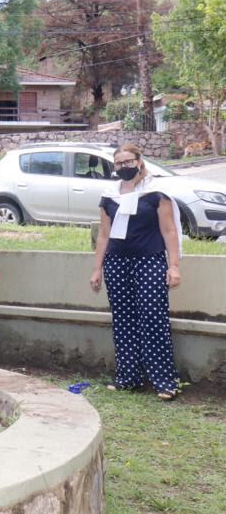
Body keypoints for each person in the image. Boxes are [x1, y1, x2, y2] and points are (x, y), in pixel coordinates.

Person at [90, 143, 182, 400]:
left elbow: (169, 231)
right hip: (117, 264)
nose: (123, 167)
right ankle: (129, 378)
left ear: (139, 162)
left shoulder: (155, 193)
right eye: (118, 163)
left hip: (149, 261)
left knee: (153, 318)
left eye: (128, 162)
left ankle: (165, 382)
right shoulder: (109, 195)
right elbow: (104, 235)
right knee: (123, 320)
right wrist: (97, 268)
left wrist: (173, 266)